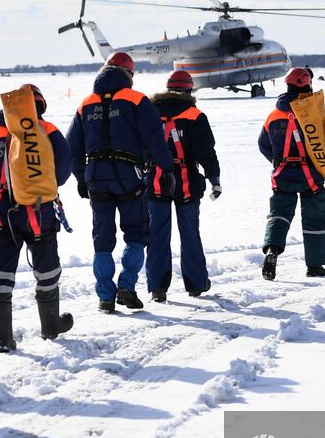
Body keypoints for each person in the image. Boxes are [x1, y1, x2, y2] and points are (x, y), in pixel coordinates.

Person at [68, 52, 176, 313]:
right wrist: (167, 169)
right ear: (129, 74)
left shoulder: (85, 105)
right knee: (136, 233)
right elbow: (154, 138)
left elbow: (71, 146)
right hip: (129, 175)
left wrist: (81, 177)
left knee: (102, 237)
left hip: (96, 175)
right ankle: (127, 286)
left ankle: (105, 296)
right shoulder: (137, 100)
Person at [0, 84, 74, 351]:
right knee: (47, 268)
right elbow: (63, 171)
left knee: (1, 273)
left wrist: (3, 193)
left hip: (0, 215)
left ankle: (3, 339)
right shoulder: (48, 131)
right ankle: (51, 327)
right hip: (39, 213)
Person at [146, 70, 221, 301]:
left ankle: (157, 288)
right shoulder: (195, 115)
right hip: (187, 182)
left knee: (157, 234)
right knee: (189, 233)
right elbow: (206, 152)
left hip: (156, 181)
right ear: (189, 90)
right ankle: (196, 284)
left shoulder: (149, 113)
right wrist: (214, 179)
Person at [259, 67, 325, 280]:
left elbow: (263, 144)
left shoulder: (274, 114)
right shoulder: (313, 112)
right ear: (307, 85)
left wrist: (279, 163)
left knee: (278, 215)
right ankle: (315, 266)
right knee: (316, 219)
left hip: (282, 176)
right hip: (310, 177)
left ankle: (272, 251)